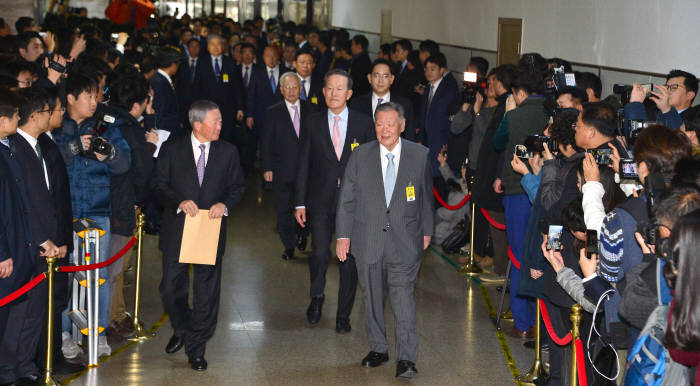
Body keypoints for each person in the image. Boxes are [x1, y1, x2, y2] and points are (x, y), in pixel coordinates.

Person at [336, 102, 433, 379]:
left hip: (405, 241)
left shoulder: (420, 155)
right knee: (373, 299)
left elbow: (426, 197)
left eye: (391, 123)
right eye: (380, 123)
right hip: (367, 240)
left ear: (402, 126)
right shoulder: (360, 156)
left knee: (403, 299)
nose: (385, 129)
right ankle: (378, 348)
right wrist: (343, 236)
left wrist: (427, 230)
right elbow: (347, 201)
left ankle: (406, 358)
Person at [152, 100, 245, 371]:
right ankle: (183, 327)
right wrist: (178, 201)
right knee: (170, 288)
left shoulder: (228, 152)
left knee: (206, 293)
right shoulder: (171, 149)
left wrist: (224, 204)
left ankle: (196, 348)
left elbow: (238, 187)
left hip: (210, 229)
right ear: (197, 124)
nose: (220, 125)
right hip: (178, 229)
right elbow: (158, 185)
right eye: (215, 121)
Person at [55, 74, 131, 358]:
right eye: (87, 95)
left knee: (97, 276)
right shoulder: (57, 126)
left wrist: (108, 153)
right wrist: (74, 148)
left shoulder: (106, 127)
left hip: (98, 211)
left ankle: (96, 332)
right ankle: (63, 332)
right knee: (65, 276)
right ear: (71, 99)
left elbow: (124, 163)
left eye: (96, 95)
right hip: (65, 212)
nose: (94, 101)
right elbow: (48, 161)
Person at [294, 69, 374, 332]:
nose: (333, 93)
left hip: (353, 205)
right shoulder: (313, 122)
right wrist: (300, 202)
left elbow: (371, 165)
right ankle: (316, 297)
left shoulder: (364, 123)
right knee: (318, 253)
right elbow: (303, 163)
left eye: (339, 89)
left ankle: (343, 314)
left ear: (349, 94)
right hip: (320, 200)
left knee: (348, 260)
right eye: (329, 88)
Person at [0, 87, 50, 385]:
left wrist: (37, 239)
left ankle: (11, 368)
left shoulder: (9, 147)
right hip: (8, 250)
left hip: (22, 244)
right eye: (15, 114)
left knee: (18, 312)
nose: (20, 118)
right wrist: (2, 252)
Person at [262, 72, 311, 261]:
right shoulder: (273, 111)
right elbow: (266, 141)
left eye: (295, 86)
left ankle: (302, 233)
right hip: (282, 169)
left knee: (306, 206)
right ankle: (288, 245)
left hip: (307, 171)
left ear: (301, 88)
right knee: (283, 209)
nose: (291, 90)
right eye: (287, 87)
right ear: (281, 90)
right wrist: (267, 167)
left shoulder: (311, 110)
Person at [192, 34, 245, 145]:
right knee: (209, 138)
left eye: (218, 44)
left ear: (223, 46)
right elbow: (197, 87)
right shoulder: (202, 62)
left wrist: (240, 107)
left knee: (227, 138)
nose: (216, 47)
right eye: (212, 44)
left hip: (227, 109)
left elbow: (237, 87)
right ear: (207, 47)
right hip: (207, 110)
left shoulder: (230, 62)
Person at [244, 45, 289, 169]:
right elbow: (251, 95)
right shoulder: (257, 72)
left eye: (274, 55)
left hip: (281, 116)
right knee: (265, 145)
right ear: (263, 57)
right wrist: (249, 115)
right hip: (261, 116)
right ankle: (266, 173)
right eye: (268, 56)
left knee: (279, 145)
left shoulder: (286, 72)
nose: (271, 59)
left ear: (279, 57)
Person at [350, 58, 415, 141]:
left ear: (392, 79)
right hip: (364, 152)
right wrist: (356, 152)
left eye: (385, 76)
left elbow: (410, 137)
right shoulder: (356, 104)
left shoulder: (404, 105)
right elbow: (353, 136)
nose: (380, 81)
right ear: (369, 78)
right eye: (376, 76)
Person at [416, 53, 459, 175]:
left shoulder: (449, 90)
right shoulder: (428, 88)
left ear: (442, 70)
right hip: (427, 139)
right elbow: (423, 114)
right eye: (426, 69)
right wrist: (420, 139)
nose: (428, 72)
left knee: (439, 176)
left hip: (441, 140)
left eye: (433, 69)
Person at [150, 47, 183, 137]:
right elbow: (159, 111)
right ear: (172, 64)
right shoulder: (158, 82)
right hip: (164, 133)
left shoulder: (162, 79)